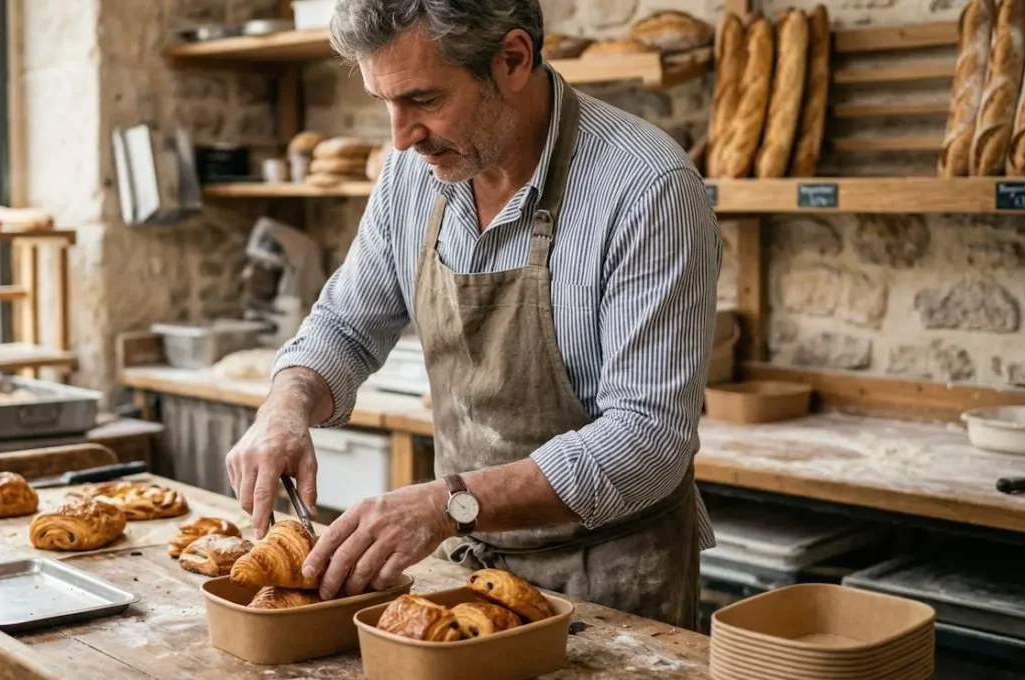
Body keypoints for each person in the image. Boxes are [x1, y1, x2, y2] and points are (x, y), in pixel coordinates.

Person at [225, 0, 722, 629]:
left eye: (424, 100)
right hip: (468, 576)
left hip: (615, 588)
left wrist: (447, 503)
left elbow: (649, 440)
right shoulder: (412, 173)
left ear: (512, 59)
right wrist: (285, 407)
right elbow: (346, 328)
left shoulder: (645, 187)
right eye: (386, 103)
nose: (400, 136)